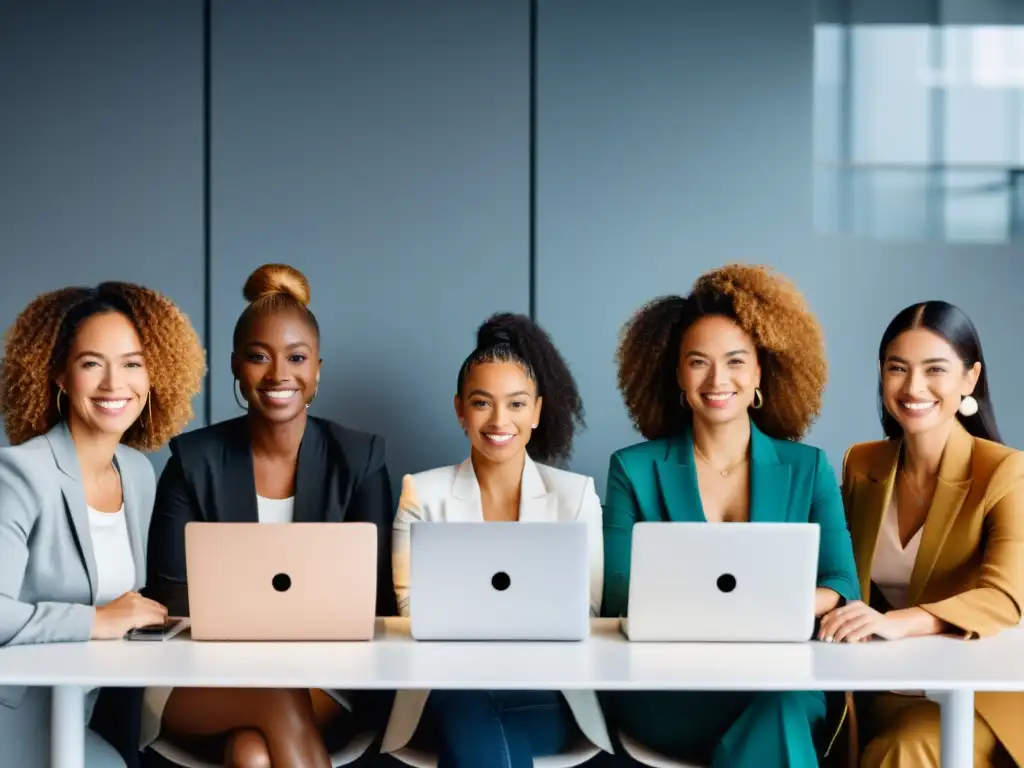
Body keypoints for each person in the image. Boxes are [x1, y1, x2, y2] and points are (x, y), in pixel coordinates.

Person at [602, 263, 860, 768]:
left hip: (779, 676)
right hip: (670, 689)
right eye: (698, 362)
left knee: (783, 704)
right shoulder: (632, 469)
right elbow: (618, 595)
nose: (718, 379)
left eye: (736, 361)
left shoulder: (807, 467)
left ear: (761, 369)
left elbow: (841, 579)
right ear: (677, 372)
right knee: (779, 719)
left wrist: (770, 604)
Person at [142, 264, 397, 768]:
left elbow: (377, 598)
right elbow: (171, 598)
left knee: (253, 755)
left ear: (318, 368)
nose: (279, 375)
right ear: (236, 366)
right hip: (200, 678)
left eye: (296, 358)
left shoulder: (360, 458)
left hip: (325, 679)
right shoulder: (193, 461)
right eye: (259, 357)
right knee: (276, 699)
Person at [382, 312, 610, 768]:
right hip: (444, 690)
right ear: (459, 409)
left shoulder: (576, 496)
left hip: (545, 692)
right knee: (470, 706)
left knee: (481, 724)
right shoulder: (421, 494)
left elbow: (585, 612)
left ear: (538, 411)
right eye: (482, 403)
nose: (499, 420)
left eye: (517, 404)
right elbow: (414, 612)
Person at [0, 282, 205, 768]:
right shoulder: (20, 474)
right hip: (20, 718)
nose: (115, 384)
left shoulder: (136, 473)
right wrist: (99, 621)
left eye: (133, 363)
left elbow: (134, 604)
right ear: (59, 377)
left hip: (93, 709)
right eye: (92, 363)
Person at [819, 300, 1024, 768]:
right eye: (897, 368)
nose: (913, 387)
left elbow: (1005, 597)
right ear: (881, 373)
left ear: (970, 379)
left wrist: (898, 622)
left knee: (902, 750)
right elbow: (841, 570)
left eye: (935, 369)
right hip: (884, 684)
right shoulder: (862, 463)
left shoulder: (1006, 472)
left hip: (975, 693)